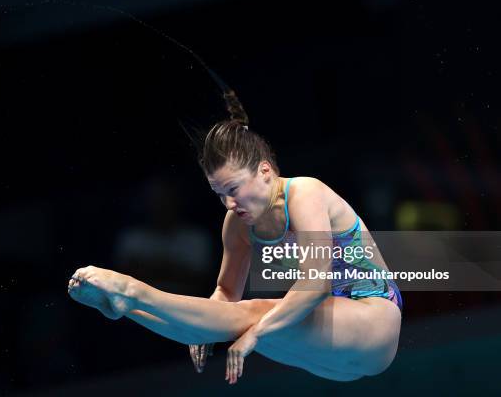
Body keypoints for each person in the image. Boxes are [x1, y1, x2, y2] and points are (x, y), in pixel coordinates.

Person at [67, 91, 403, 384]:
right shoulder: (237, 224)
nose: (229, 203)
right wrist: (202, 327)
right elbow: (226, 292)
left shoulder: (304, 192)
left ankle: (132, 290)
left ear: (265, 171)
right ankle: (125, 308)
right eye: (218, 194)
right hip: (332, 356)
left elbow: (314, 285)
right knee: (231, 322)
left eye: (233, 189)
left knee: (255, 317)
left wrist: (257, 331)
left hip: (374, 320)